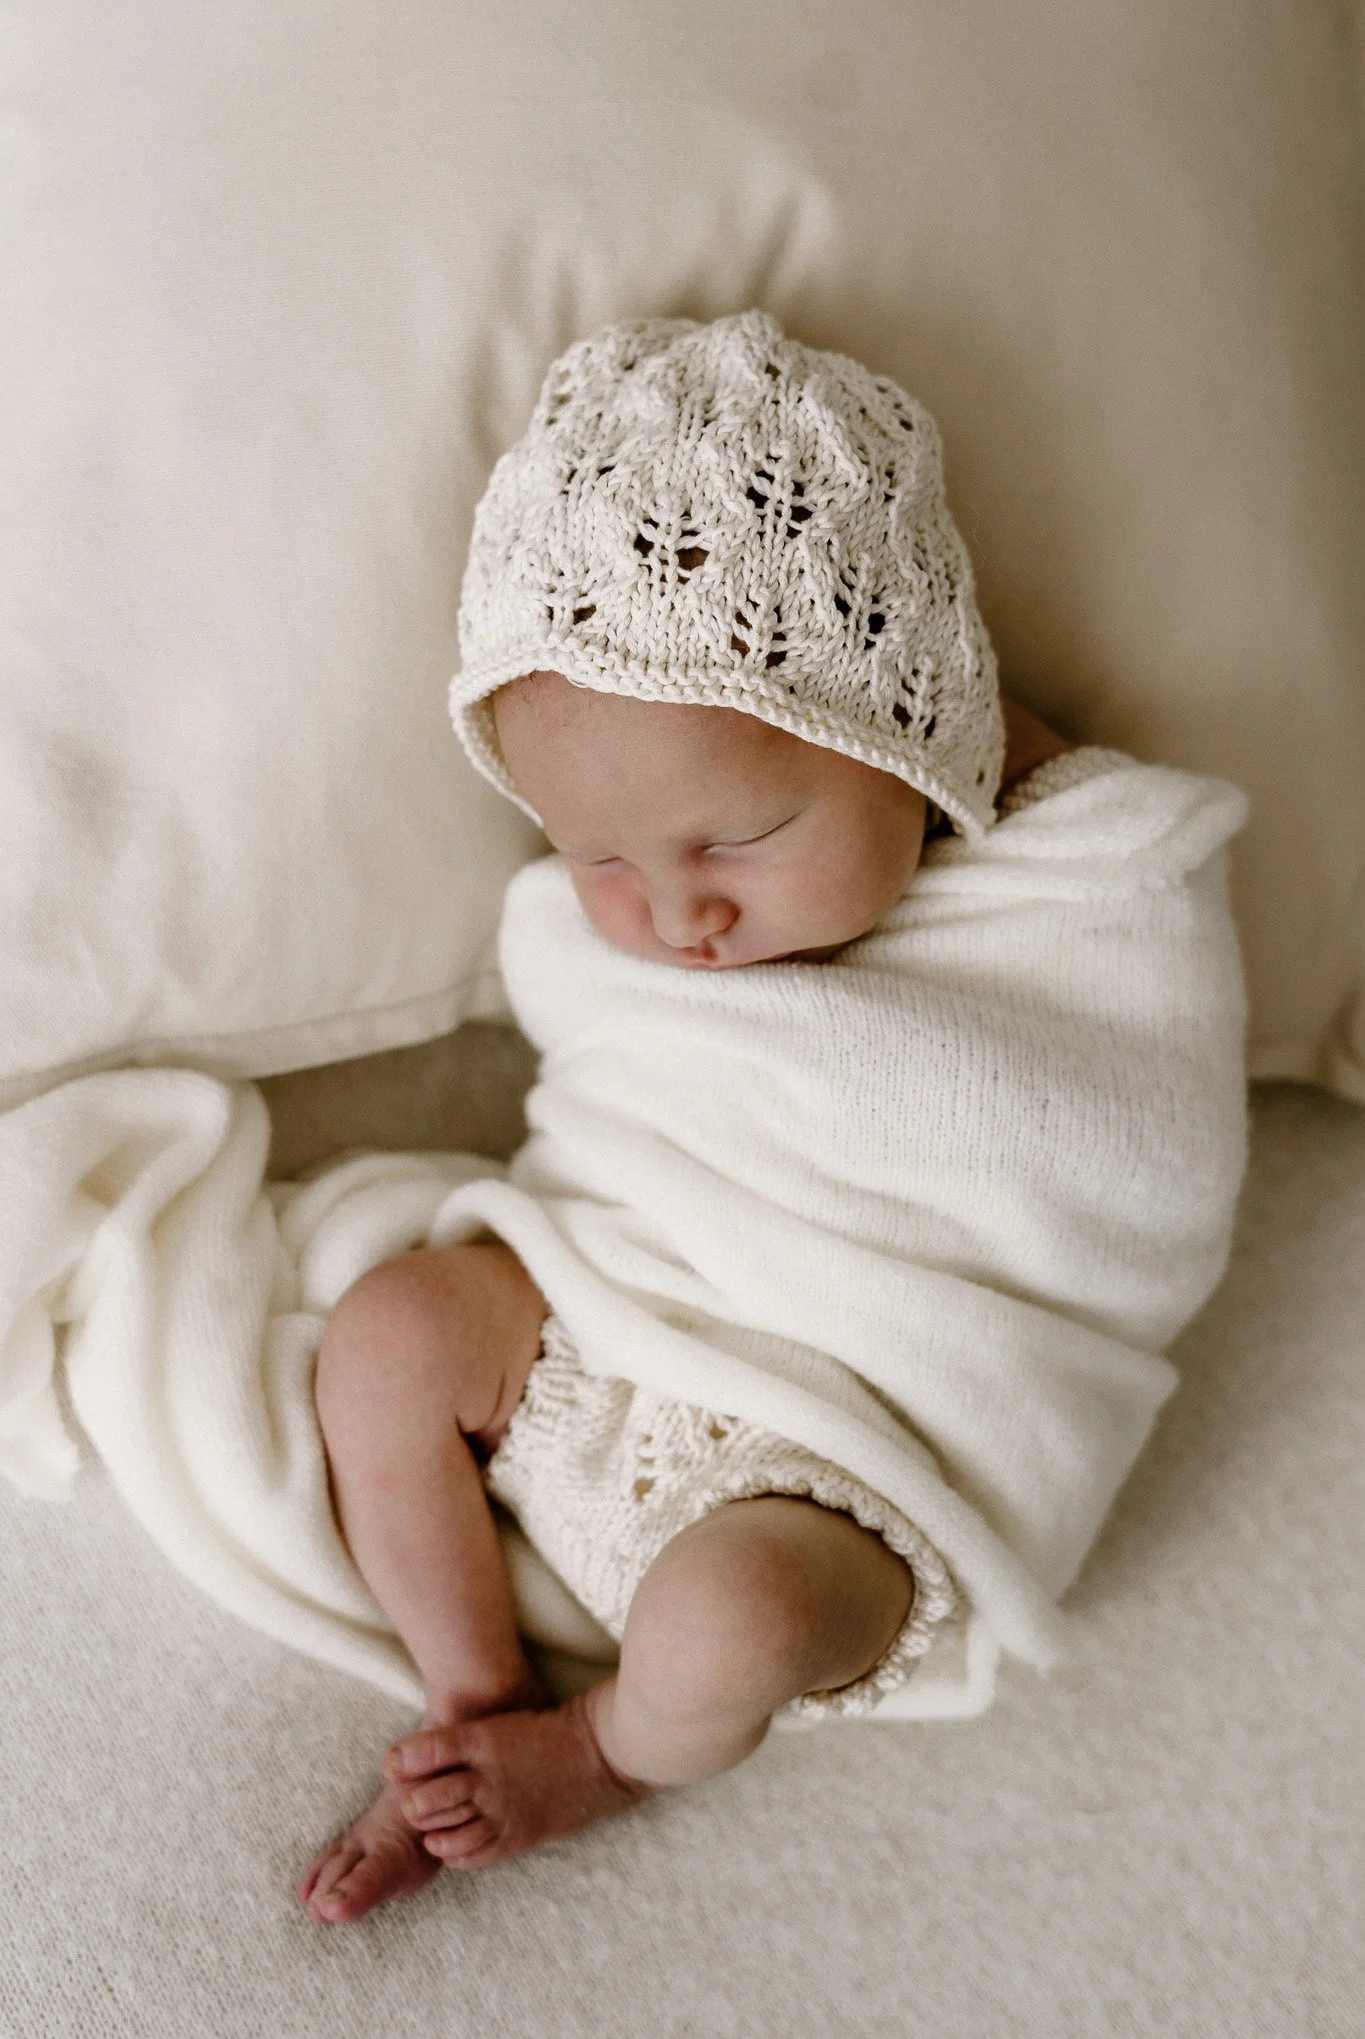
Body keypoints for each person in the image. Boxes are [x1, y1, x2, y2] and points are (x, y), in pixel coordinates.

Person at [301, 312, 1248, 1924]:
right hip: (607, 1315)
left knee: (730, 1624)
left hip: (844, 1461)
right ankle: (472, 1699)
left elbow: (1124, 1171)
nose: (677, 920)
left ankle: (601, 1752)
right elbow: (622, 1106)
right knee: (387, 1334)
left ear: (912, 744)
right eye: (598, 859)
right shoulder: (658, 905)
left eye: (738, 838)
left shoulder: (1090, 901)